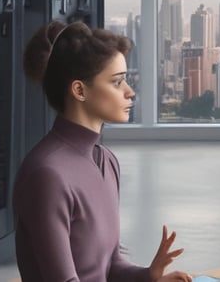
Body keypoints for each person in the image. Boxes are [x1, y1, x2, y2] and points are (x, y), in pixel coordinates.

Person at [13, 20, 193, 282]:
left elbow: (110, 266)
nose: (130, 92)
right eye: (118, 82)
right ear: (79, 90)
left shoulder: (106, 162)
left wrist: (149, 276)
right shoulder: (47, 175)